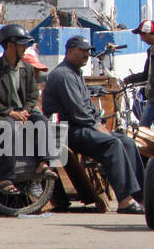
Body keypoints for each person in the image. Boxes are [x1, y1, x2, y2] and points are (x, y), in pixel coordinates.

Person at [42, 35, 146, 214]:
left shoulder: (76, 72)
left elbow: (87, 106)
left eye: (88, 51)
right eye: (82, 50)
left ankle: (142, 196)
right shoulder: (63, 75)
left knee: (127, 142)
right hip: (68, 130)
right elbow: (77, 111)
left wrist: (98, 122)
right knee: (112, 144)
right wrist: (95, 125)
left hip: (82, 125)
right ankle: (125, 200)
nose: (86, 54)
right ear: (69, 51)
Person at [0, 24, 53, 196]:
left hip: (23, 112)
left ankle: (43, 164)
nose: (25, 48)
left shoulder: (26, 69)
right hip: (0, 115)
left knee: (42, 121)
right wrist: (11, 113)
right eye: (22, 45)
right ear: (11, 45)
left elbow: (33, 95)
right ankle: (5, 178)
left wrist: (26, 110)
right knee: (9, 128)